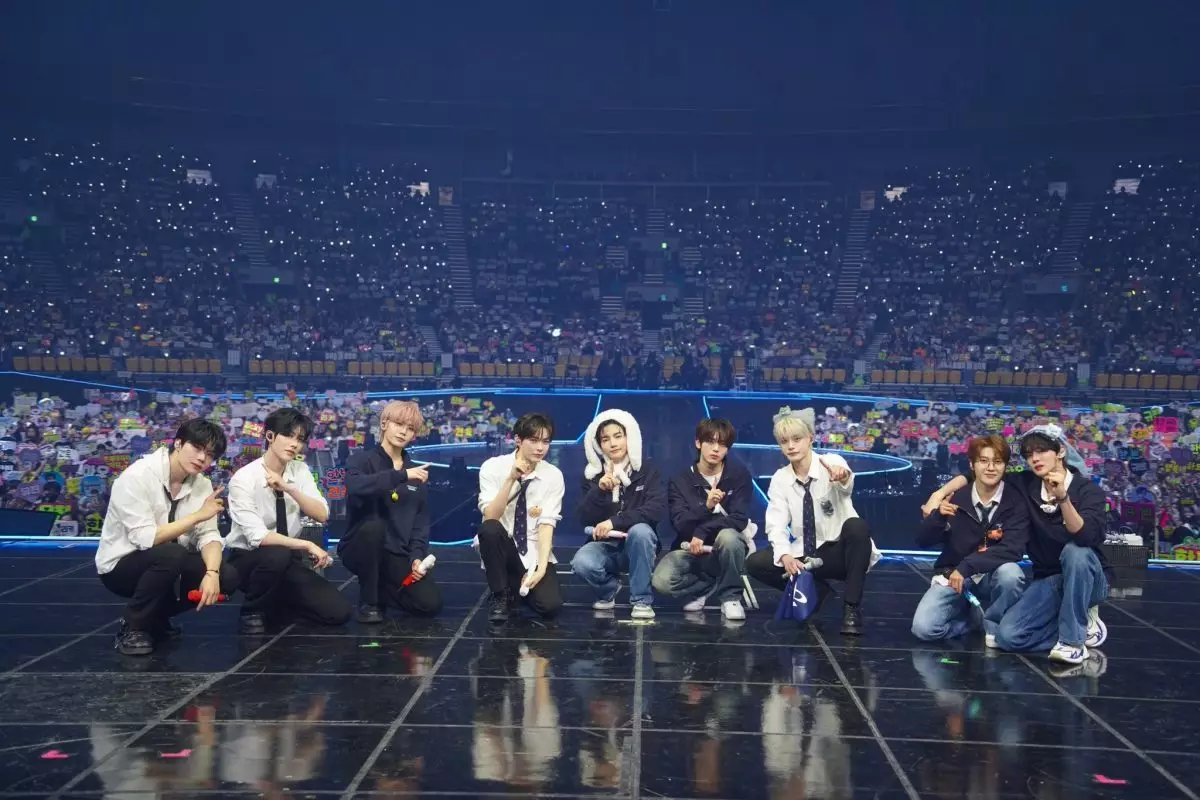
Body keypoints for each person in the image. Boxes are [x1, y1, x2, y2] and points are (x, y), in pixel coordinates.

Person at [924, 424, 1109, 665]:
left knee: (1075, 552)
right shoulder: (1026, 484)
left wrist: (1063, 498)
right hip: (1050, 579)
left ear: (1061, 451)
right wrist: (938, 495)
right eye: (1029, 454)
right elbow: (980, 474)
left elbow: (1085, 538)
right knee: (1008, 637)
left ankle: (1073, 642)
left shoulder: (1088, 491)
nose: (1035, 458)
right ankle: (1078, 625)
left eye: (1041, 451)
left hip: (1088, 577)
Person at [97, 418, 237, 656]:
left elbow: (208, 534)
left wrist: (212, 573)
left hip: (170, 562)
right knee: (172, 554)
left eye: (210, 455)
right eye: (197, 448)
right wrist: (197, 516)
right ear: (179, 443)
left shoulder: (202, 484)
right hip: (121, 567)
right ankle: (133, 626)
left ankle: (156, 616)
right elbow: (146, 539)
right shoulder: (137, 477)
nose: (202, 458)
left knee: (228, 576)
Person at [745, 407, 880, 635]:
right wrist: (785, 555)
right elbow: (776, 524)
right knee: (756, 563)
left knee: (857, 527)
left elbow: (846, 484)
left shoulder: (830, 462)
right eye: (784, 441)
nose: (791, 446)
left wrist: (842, 476)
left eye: (797, 439)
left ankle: (851, 608)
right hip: (805, 552)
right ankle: (817, 591)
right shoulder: (780, 479)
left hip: (837, 551)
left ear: (811, 438)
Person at [227, 408, 350, 632]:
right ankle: (252, 611)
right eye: (288, 435)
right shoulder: (244, 478)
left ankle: (278, 601)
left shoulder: (300, 470)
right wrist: (307, 544)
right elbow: (258, 537)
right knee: (277, 553)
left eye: (300, 439)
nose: (294, 444)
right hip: (249, 560)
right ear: (270, 436)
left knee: (337, 611)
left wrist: (289, 488)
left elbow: (322, 514)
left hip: (289, 559)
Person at [911, 434, 1030, 645]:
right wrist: (938, 518)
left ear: (1005, 466)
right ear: (972, 465)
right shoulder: (956, 497)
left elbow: (1013, 548)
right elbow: (922, 541)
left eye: (997, 462)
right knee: (924, 629)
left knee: (1011, 574)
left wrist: (967, 566)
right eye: (984, 461)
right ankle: (973, 621)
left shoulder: (1016, 500)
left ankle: (994, 623)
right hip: (954, 575)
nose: (990, 468)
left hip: (991, 572)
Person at [340, 400, 443, 623]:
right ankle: (370, 601)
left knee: (429, 603)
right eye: (399, 424)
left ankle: (381, 588)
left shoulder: (416, 472)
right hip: (359, 546)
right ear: (384, 424)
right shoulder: (361, 460)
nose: (403, 431)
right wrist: (402, 475)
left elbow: (419, 523)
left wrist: (416, 556)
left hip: (396, 552)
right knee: (373, 528)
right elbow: (356, 486)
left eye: (410, 428)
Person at [653, 418, 756, 622]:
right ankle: (708, 585)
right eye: (710, 442)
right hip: (690, 549)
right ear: (698, 443)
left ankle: (730, 598)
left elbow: (739, 519)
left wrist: (702, 531)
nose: (716, 449)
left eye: (723, 444)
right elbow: (680, 523)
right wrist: (706, 507)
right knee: (661, 582)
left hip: (727, 548)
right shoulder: (680, 480)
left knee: (728, 537)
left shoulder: (738, 475)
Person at [571, 409, 666, 620]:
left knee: (641, 531)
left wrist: (614, 521)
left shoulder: (648, 471)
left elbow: (656, 509)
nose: (613, 444)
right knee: (581, 563)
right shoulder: (593, 475)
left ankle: (641, 601)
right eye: (605, 439)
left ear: (629, 437)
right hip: (605, 545)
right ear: (598, 445)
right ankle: (609, 589)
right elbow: (582, 517)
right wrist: (599, 491)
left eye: (618, 436)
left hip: (638, 545)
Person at [475, 412, 565, 623]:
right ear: (518, 440)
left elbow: (546, 525)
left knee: (550, 606)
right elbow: (491, 516)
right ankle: (500, 595)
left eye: (545, 442)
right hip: (503, 546)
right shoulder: (493, 467)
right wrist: (510, 480)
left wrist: (541, 569)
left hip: (532, 551)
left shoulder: (553, 475)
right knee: (490, 529)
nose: (540, 448)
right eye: (533, 440)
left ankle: (514, 586)